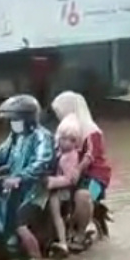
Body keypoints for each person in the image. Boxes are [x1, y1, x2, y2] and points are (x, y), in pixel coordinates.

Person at [0, 94, 55, 260]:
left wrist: (20, 177)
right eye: (10, 121)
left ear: (27, 119)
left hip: (34, 188)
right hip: (12, 184)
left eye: (14, 120)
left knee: (20, 224)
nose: (11, 124)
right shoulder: (16, 136)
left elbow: (41, 162)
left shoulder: (42, 136)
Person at [50, 91, 112, 248]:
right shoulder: (64, 131)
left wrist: (78, 169)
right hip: (69, 172)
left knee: (82, 196)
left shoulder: (91, 131)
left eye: (61, 111)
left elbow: (90, 155)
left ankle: (80, 234)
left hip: (93, 174)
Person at [46, 114, 82, 257]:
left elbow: (69, 179)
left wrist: (52, 181)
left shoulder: (71, 156)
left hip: (62, 191)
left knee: (55, 212)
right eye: (63, 138)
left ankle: (62, 242)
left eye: (71, 140)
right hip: (53, 185)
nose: (66, 142)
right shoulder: (58, 151)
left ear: (76, 142)